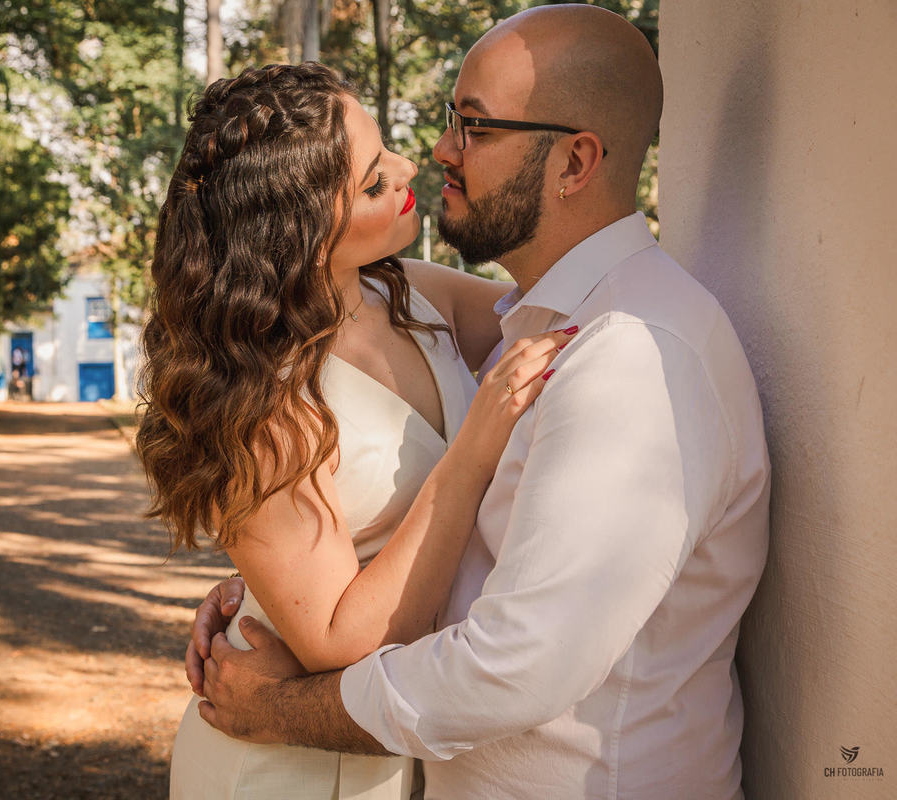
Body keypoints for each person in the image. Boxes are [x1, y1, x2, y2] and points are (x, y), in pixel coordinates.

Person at [189, 5, 771, 799]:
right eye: (447, 121)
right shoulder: (531, 321)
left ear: (574, 162)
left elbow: (515, 665)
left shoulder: (628, 355)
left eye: (475, 127)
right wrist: (268, 588)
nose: (434, 153)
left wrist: (286, 706)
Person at [136, 63, 575, 799]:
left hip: (394, 736)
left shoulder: (409, 292)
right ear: (301, 235)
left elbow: (561, 316)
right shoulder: (262, 401)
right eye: (374, 182)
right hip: (289, 767)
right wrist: (470, 456)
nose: (411, 167)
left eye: (386, 152)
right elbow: (343, 638)